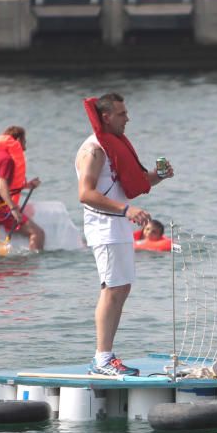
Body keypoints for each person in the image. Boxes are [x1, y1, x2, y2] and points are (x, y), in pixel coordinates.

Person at [76, 93, 174, 376]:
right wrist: (126, 210)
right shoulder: (93, 150)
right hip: (104, 227)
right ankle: (102, 359)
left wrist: (158, 175)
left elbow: (129, 184)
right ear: (106, 116)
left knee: (122, 287)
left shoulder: (113, 146)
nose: (127, 118)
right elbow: (85, 193)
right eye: (122, 114)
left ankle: (107, 355)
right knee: (112, 288)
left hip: (118, 225)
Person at [0, 126, 44, 251]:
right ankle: (33, 267)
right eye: (24, 142)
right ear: (19, 140)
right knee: (37, 234)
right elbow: (0, 185)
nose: (25, 147)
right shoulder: (7, 159)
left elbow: (1, 184)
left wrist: (27, 185)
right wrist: (13, 209)